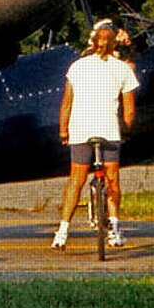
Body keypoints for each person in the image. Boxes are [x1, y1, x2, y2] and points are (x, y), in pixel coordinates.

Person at [51, 20, 139, 250]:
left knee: (76, 180)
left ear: (92, 42)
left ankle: (62, 231)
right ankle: (116, 230)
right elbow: (129, 110)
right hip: (109, 130)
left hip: (81, 130)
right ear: (113, 45)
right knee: (112, 180)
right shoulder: (122, 68)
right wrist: (126, 130)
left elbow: (66, 104)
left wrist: (63, 130)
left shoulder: (77, 67)